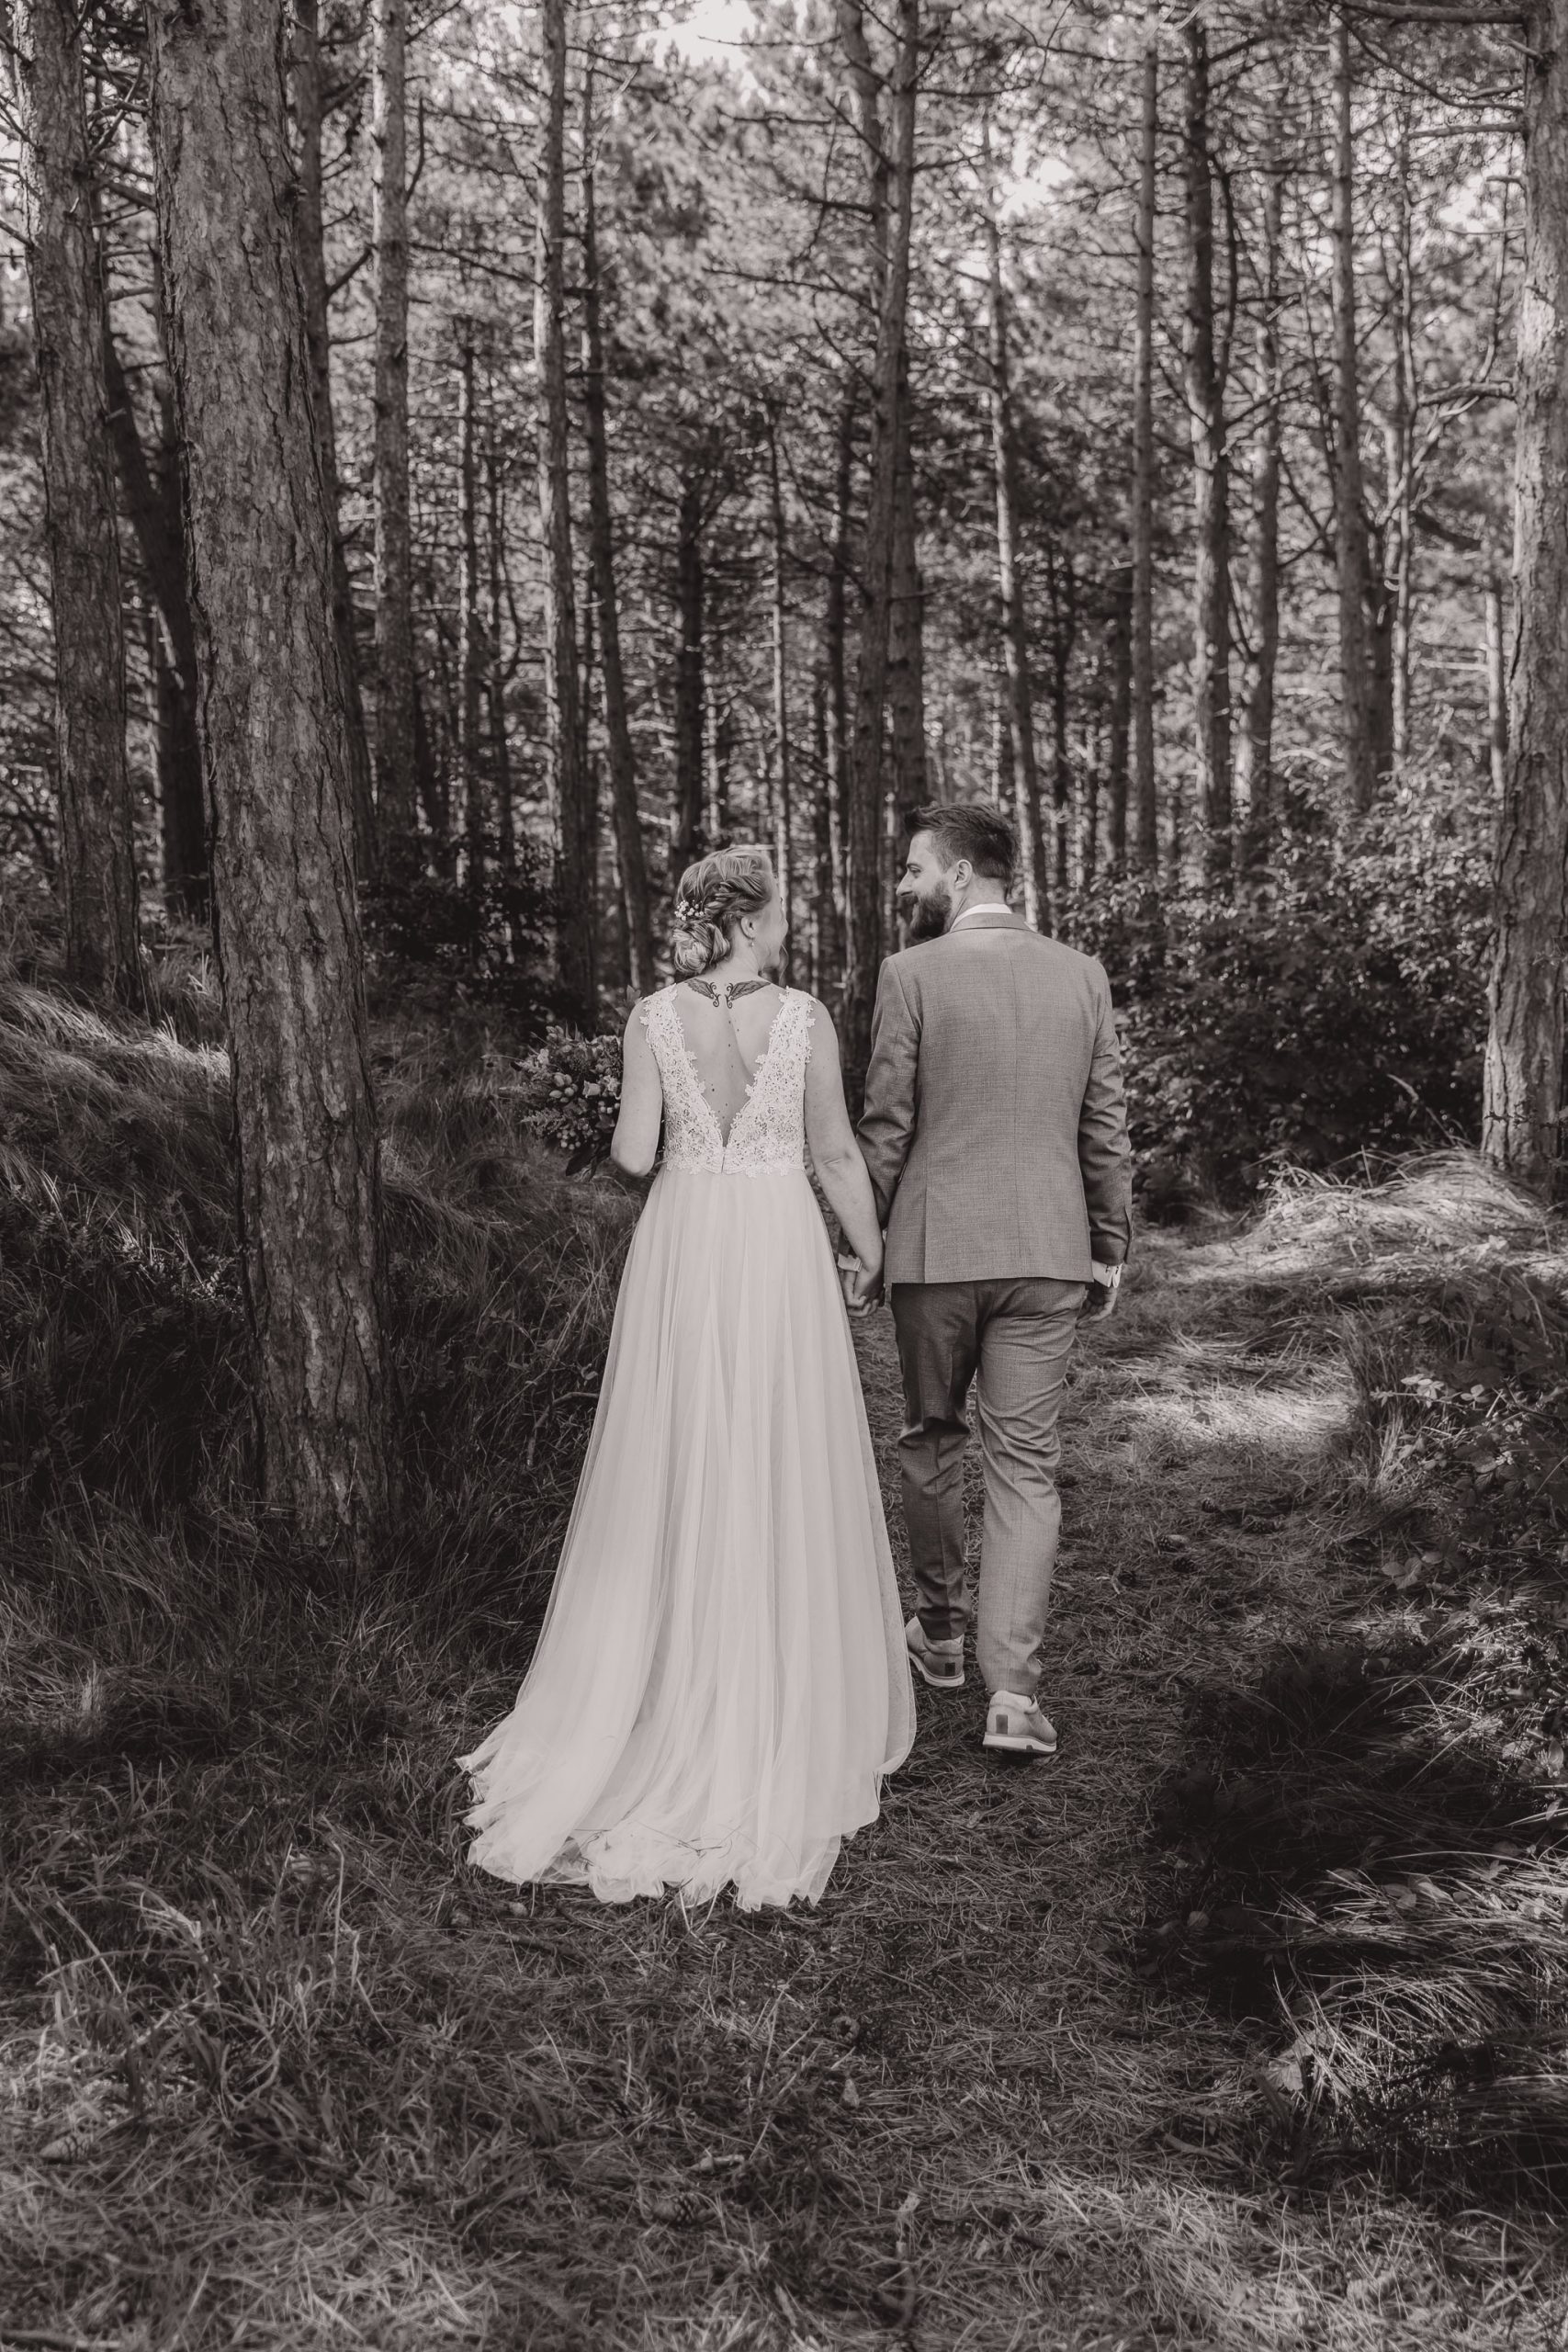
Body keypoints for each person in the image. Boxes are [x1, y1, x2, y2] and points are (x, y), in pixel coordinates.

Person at [460, 846, 915, 1909]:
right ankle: (765, 1684)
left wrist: (641, 1120)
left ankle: (662, 1681)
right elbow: (838, 1155)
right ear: (750, 917)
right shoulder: (801, 1016)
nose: (790, 919)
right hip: (771, 1242)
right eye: (783, 905)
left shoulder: (652, 1015)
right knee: (773, 1441)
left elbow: (630, 1154)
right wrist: (871, 1250)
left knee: (675, 1445)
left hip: (685, 1238)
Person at [856, 802, 1133, 1761]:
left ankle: (937, 1633)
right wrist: (1109, 1241)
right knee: (1026, 1466)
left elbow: (886, 1124)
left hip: (936, 1253)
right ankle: (1011, 1695)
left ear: (964, 874)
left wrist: (862, 1240)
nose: (906, 887)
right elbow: (1104, 1126)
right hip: (1049, 1250)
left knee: (932, 1438)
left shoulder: (910, 974)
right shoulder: (1081, 975)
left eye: (916, 870)